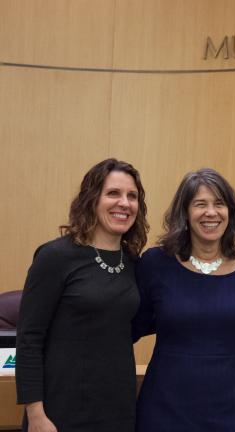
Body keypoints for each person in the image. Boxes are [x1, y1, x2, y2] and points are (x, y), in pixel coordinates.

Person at [16, 158, 148, 432]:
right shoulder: (55, 257)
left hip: (117, 407)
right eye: (113, 193)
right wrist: (36, 414)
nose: (124, 203)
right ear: (92, 199)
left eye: (132, 196)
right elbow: (29, 339)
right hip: (59, 408)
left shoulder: (134, 263)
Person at [132, 168, 235, 432]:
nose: (211, 212)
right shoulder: (155, 263)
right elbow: (133, 326)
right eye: (200, 204)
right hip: (165, 406)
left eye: (219, 203)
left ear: (231, 211)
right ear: (184, 213)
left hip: (233, 404)